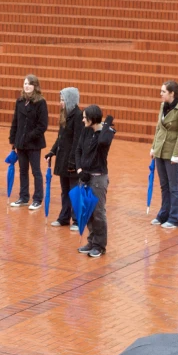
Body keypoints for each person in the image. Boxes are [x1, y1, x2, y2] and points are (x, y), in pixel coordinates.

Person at [75, 106, 115, 258]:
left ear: (92, 118)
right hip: (84, 176)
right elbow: (78, 150)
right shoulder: (85, 131)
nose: (83, 119)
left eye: (85, 117)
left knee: (98, 212)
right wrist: (80, 171)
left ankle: (100, 245)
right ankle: (92, 241)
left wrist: (107, 123)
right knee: (87, 211)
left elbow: (103, 142)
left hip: (98, 178)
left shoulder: (106, 133)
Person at [150, 81, 178, 229]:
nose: (161, 94)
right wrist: (154, 147)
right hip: (160, 150)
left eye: (163, 92)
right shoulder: (163, 106)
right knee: (164, 186)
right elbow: (158, 128)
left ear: (172, 93)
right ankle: (163, 215)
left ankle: (175, 218)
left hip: (172, 152)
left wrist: (176, 154)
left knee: (174, 187)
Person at [8, 75, 48, 209]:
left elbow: (42, 125)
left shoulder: (41, 102)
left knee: (36, 171)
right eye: (25, 83)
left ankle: (37, 199)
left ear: (35, 86)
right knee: (22, 170)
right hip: (20, 143)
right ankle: (23, 197)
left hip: (34, 143)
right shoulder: (20, 101)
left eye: (30, 84)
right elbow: (15, 122)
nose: (27, 86)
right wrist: (13, 139)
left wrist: (29, 136)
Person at [45, 88, 81, 230]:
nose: (60, 102)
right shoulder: (64, 115)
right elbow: (60, 138)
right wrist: (52, 151)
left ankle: (77, 220)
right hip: (62, 158)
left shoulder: (78, 116)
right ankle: (64, 217)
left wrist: (73, 161)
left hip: (71, 160)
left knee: (74, 190)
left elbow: (77, 141)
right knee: (64, 190)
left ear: (70, 100)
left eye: (62, 100)